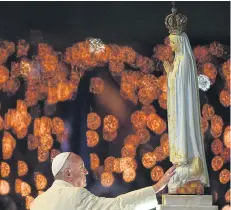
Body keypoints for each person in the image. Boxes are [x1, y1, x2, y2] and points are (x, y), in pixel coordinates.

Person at [163, 5, 210, 193]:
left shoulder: (183, 61)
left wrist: (169, 72)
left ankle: (187, 162)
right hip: (179, 106)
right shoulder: (181, 60)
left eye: (173, 43)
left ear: (180, 42)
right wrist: (170, 72)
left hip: (182, 107)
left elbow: (179, 86)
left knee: (183, 131)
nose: (171, 46)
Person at [31, 152, 176, 210]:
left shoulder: (36, 203)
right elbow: (117, 206)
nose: (86, 172)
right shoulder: (75, 195)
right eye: (82, 168)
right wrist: (156, 187)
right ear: (68, 172)